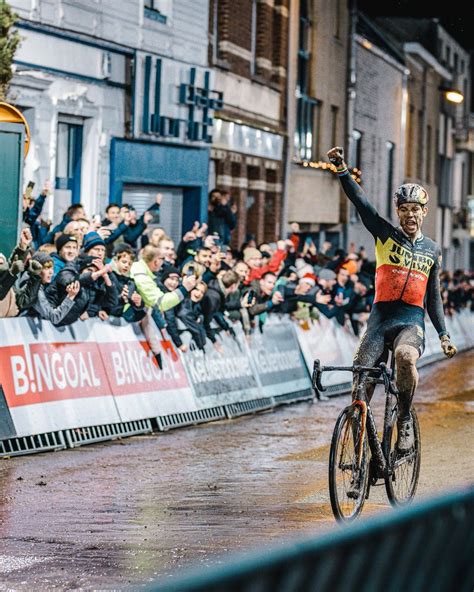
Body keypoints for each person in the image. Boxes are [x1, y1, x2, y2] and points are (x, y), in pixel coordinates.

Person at [327, 146, 457, 462]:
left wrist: (443, 335)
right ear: (398, 212)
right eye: (405, 210)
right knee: (359, 389)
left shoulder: (433, 250)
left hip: (411, 321)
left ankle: (404, 419)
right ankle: (358, 458)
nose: (410, 215)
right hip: (379, 320)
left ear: (424, 213)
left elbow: (434, 296)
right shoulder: (385, 235)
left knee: (404, 356)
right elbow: (363, 204)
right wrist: (342, 169)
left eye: (416, 210)